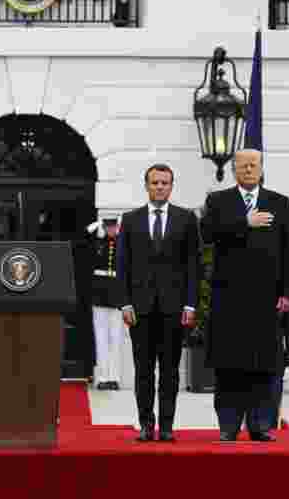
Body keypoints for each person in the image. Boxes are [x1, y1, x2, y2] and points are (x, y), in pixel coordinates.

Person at [201, 149, 289, 442]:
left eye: (253, 165)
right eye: (242, 165)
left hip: (266, 298)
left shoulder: (279, 203)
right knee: (230, 366)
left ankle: (259, 424)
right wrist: (244, 223)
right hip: (228, 298)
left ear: (261, 168)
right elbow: (206, 233)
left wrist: (288, 293)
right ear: (233, 170)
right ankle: (228, 425)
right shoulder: (218, 201)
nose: (248, 169)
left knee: (262, 366)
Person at [117, 163, 200, 442]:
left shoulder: (186, 219)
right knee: (143, 371)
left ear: (171, 186)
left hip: (173, 309)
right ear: (147, 186)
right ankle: (145, 425)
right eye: (155, 183)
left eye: (164, 183)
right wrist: (125, 303)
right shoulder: (130, 220)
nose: (160, 187)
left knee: (169, 372)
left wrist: (190, 304)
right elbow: (123, 265)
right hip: (139, 310)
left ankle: (166, 426)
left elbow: (193, 265)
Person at [88, 215, 124, 390]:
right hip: (99, 294)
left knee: (115, 338)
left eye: (113, 227)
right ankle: (102, 377)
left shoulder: (123, 244)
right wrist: (97, 224)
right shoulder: (98, 243)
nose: (111, 230)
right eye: (108, 227)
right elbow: (85, 236)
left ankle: (114, 377)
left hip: (117, 295)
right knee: (100, 337)